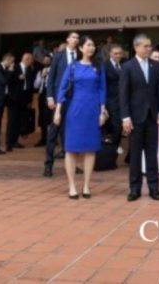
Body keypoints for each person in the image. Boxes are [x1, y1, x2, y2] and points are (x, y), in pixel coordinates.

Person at [55, 36, 107, 199]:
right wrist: (57, 111)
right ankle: (71, 186)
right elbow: (62, 88)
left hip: (92, 110)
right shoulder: (73, 67)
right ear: (81, 48)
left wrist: (102, 111)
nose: (91, 48)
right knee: (71, 149)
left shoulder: (99, 67)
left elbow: (102, 89)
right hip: (75, 109)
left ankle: (86, 185)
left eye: (93, 45)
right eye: (88, 45)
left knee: (90, 148)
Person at [120, 34, 159, 201]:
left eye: (150, 46)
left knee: (152, 154)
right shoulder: (127, 67)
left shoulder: (155, 66)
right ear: (136, 47)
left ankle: (154, 188)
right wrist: (125, 117)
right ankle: (135, 188)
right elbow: (123, 94)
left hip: (152, 117)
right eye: (146, 46)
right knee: (134, 156)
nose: (149, 48)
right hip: (134, 118)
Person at [44, 31, 80, 176]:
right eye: (73, 37)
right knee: (53, 132)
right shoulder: (58, 56)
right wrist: (50, 97)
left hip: (75, 100)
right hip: (59, 99)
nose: (75, 39)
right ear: (67, 39)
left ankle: (71, 165)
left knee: (70, 132)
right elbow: (51, 78)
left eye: (78, 38)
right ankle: (48, 164)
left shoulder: (81, 57)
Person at [103, 44, 125, 155]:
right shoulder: (104, 66)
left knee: (118, 125)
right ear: (110, 54)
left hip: (121, 101)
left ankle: (114, 148)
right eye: (115, 53)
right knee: (114, 125)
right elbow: (102, 85)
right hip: (109, 101)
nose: (118, 56)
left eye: (119, 53)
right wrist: (103, 104)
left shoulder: (123, 66)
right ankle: (111, 150)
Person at [34, 53, 53, 147]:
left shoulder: (54, 70)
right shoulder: (40, 71)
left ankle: (51, 138)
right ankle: (43, 138)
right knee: (42, 117)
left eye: (48, 60)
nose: (46, 62)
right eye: (44, 60)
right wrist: (42, 76)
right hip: (42, 95)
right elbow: (36, 85)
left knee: (50, 117)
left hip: (51, 95)